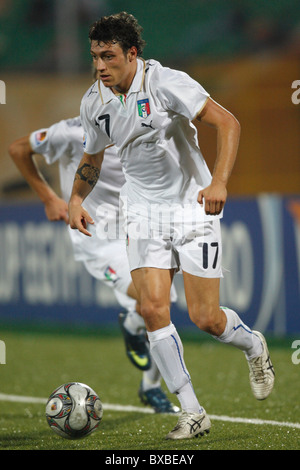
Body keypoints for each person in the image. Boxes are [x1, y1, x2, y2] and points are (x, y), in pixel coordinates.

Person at [68, 12, 275, 440]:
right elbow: (92, 157)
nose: (100, 66)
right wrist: (75, 199)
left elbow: (228, 123)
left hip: (192, 209)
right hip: (143, 213)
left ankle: (253, 345)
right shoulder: (94, 102)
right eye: (94, 57)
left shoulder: (166, 83)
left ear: (132, 53)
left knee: (205, 317)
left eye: (108, 57)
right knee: (151, 310)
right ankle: (193, 411)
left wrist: (218, 181)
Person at [8, 115, 179, 414]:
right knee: (155, 300)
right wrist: (49, 198)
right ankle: (136, 335)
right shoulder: (72, 131)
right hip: (99, 238)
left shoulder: (144, 123)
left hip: (140, 228)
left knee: (159, 305)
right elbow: (18, 149)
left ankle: (149, 382)